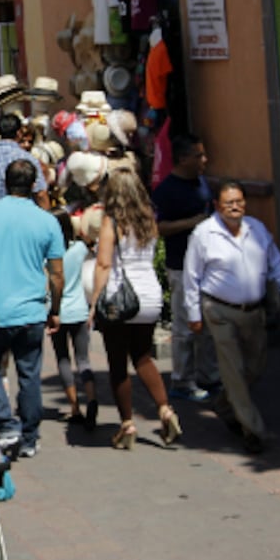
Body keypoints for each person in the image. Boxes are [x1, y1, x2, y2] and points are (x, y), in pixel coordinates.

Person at [0, 159, 64, 458]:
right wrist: (55, 309)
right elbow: (57, 274)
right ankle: (29, 437)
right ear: (34, 185)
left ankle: (5, 423)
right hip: (31, 312)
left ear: (5, 183)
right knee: (29, 374)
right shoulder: (48, 221)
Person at [184, 180, 280, 453]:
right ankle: (253, 430)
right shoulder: (204, 234)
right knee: (233, 370)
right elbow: (191, 277)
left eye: (239, 201)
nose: (235, 207)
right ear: (217, 206)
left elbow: (275, 263)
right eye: (228, 203)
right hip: (219, 311)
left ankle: (223, 403)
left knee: (255, 367)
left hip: (254, 312)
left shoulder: (257, 229)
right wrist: (193, 313)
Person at [89, 168, 180, 450]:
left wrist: (95, 301)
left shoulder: (112, 220)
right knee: (142, 356)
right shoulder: (148, 218)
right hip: (149, 294)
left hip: (121, 297)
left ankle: (127, 424)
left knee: (118, 363)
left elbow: (104, 263)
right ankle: (165, 409)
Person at [151, 135, 217, 402]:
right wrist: (193, 222)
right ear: (182, 159)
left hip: (208, 267)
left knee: (208, 326)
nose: (204, 160)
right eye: (198, 155)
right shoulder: (166, 191)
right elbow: (158, 228)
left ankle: (208, 376)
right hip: (181, 266)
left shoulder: (202, 183)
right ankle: (182, 380)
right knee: (185, 327)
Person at [49, 209, 97, 428]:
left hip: (57, 311)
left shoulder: (47, 254)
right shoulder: (79, 249)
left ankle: (75, 407)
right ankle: (92, 398)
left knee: (63, 359)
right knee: (83, 359)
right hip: (79, 310)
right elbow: (90, 235)